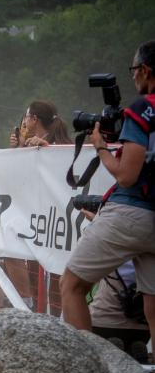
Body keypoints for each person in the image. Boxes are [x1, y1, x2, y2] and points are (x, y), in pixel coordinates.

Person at [61, 40, 155, 344]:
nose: (133, 77)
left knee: (72, 285)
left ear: (145, 71)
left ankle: (86, 370)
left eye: (134, 70)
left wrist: (101, 147)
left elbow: (127, 176)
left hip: (131, 211)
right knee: (153, 308)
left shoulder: (144, 108)